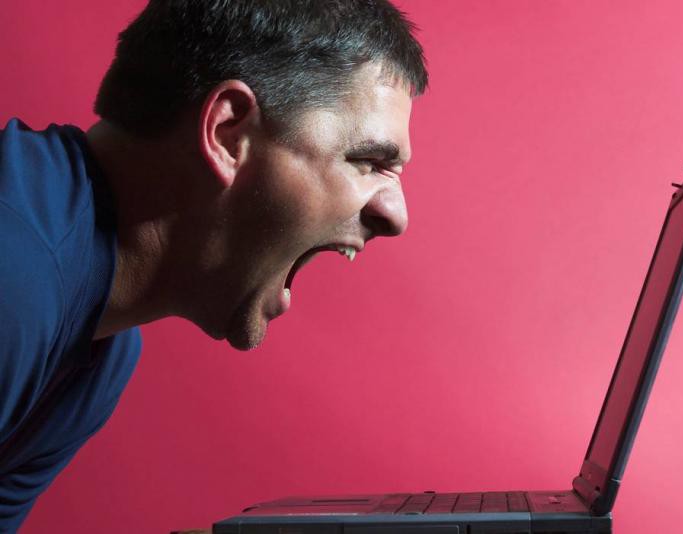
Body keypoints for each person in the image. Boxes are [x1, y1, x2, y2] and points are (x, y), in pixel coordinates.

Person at [0, 0, 428, 529]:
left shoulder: (100, 352)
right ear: (228, 133)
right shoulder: (15, 273)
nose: (396, 216)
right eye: (369, 161)